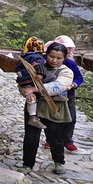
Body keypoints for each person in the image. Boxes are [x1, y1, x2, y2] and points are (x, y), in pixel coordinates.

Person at [17, 42, 74, 175]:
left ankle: (59, 162)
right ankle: (27, 164)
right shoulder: (35, 67)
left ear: (64, 59)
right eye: (51, 56)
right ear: (46, 55)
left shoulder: (65, 71)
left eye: (59, 58)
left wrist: (34, 89)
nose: (54, 60)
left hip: (54, 108)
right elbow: (23, 82)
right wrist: (26, 91)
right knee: (31, 137)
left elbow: (59, 87)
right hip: (34, 109)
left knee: (55, 137)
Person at [44, 35, 83, 151]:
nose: (55, 59)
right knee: (51, 117)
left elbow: (79, 78)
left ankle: (67, 140)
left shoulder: (70, 64)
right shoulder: (45, 62)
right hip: (51, 94)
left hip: (68, 93)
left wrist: (73, 84)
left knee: (70, 117)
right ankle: (50, 140)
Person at [14, 36, 49, 130]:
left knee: (31, 97)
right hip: (31, 81)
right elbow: (37, 65)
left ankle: (32, 116)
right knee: (32, 97)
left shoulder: (24, 57)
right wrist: (41, 74)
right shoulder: (37, 57)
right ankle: (33, 116)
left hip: (22, 82)